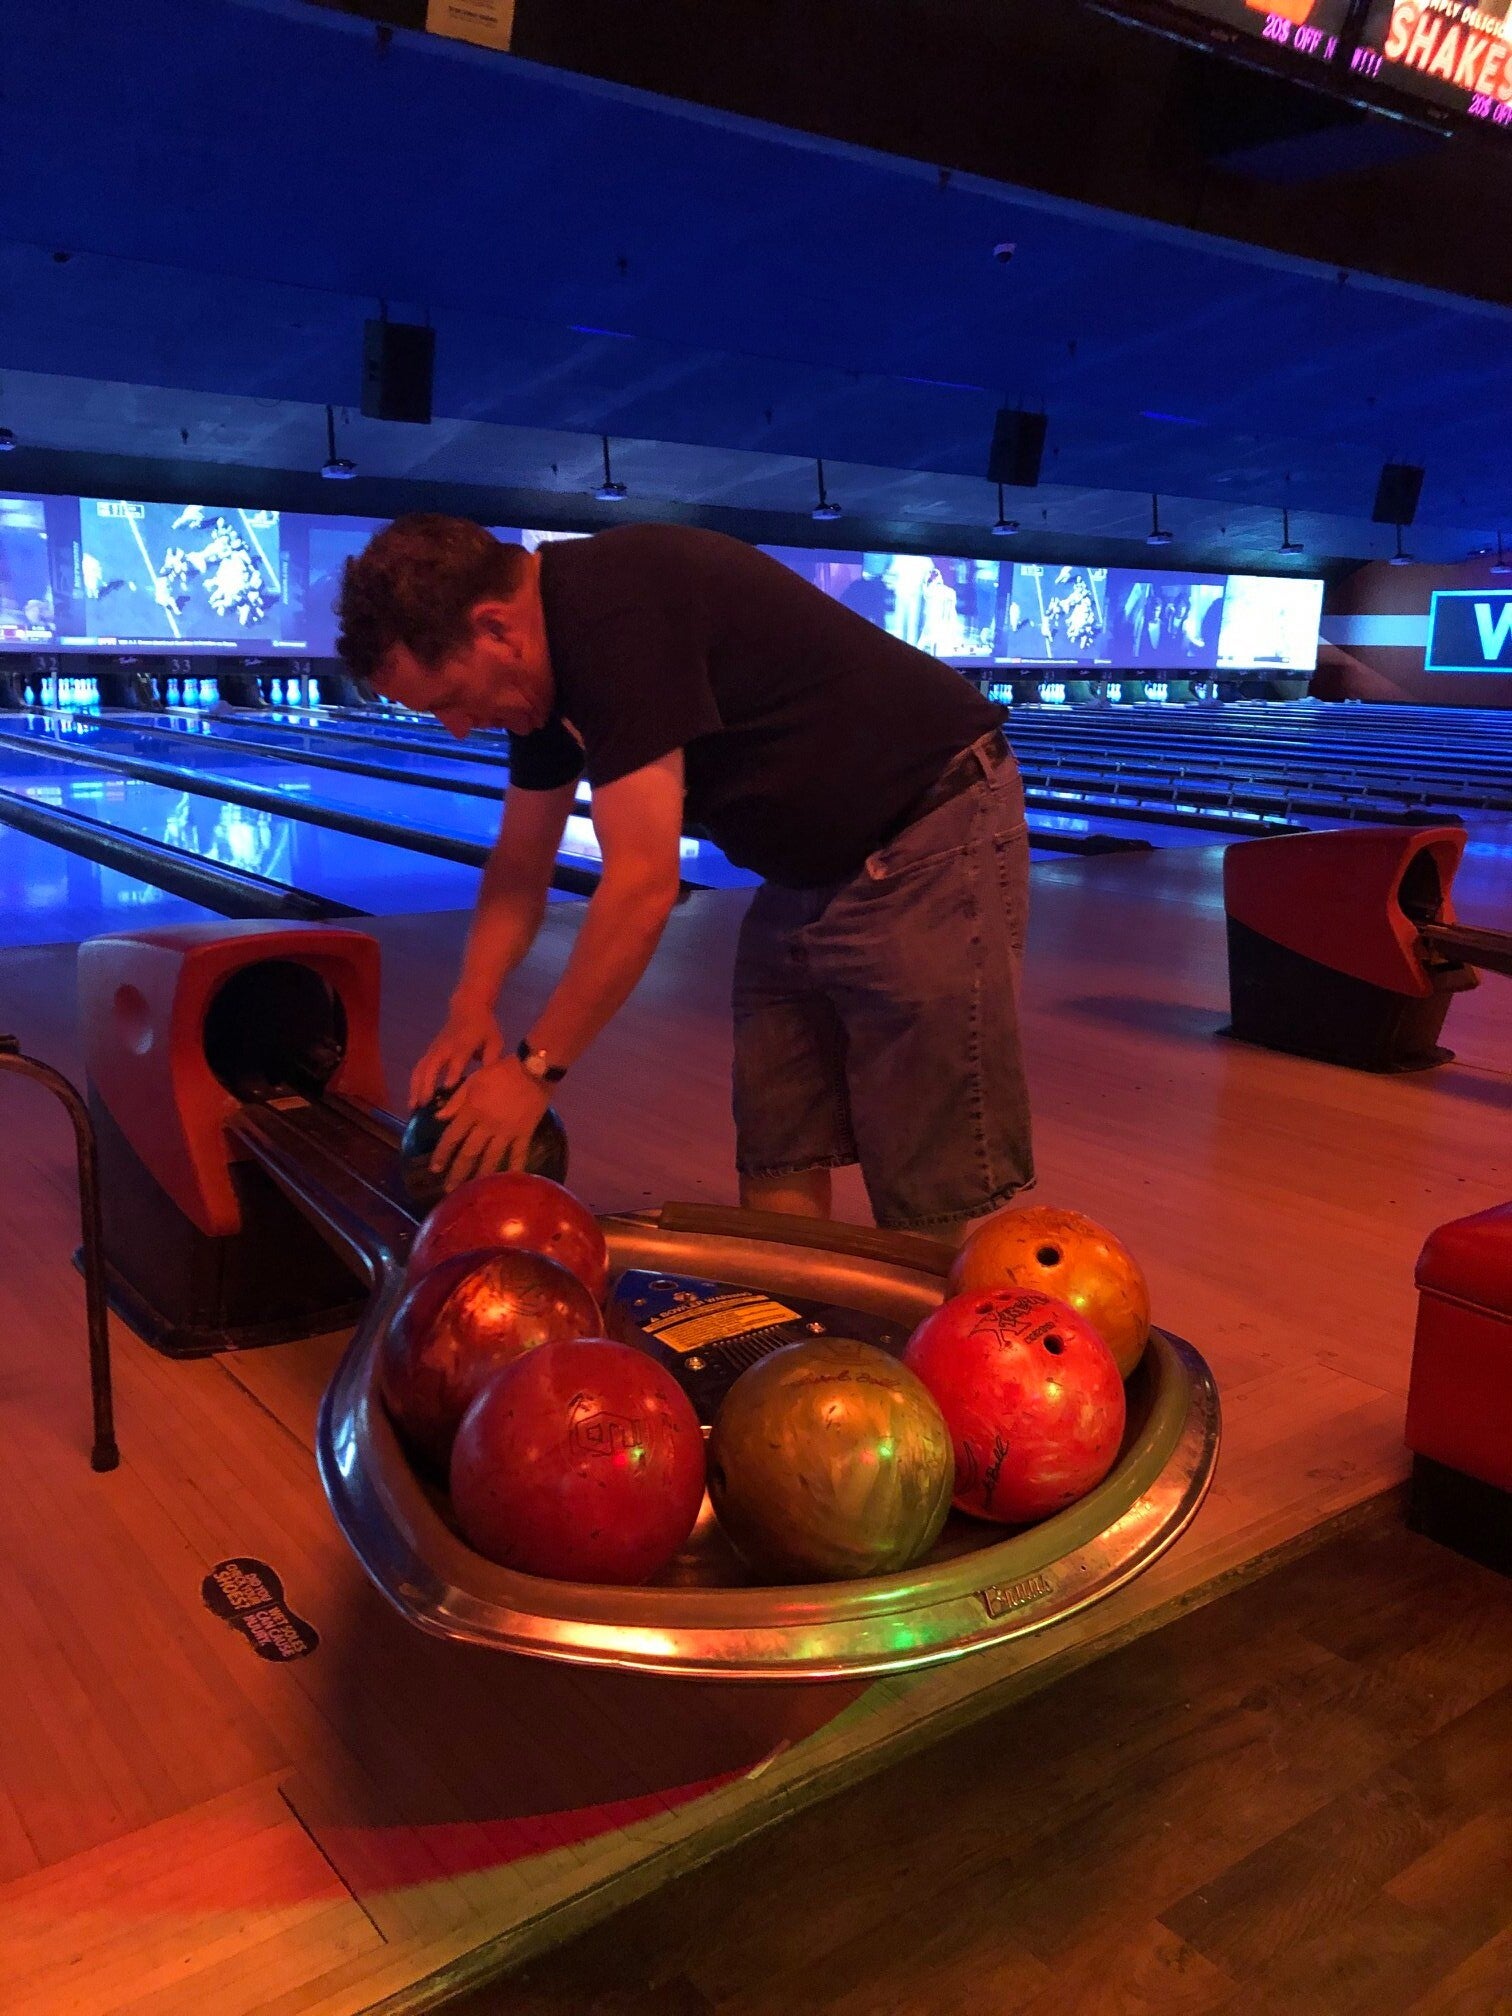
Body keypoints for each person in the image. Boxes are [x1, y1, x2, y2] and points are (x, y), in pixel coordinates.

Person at [335, 517, 1034, 1235]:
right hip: (806, 869)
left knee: (926, 1171)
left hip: (927, 825)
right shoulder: (537, 678)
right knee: (778, 1141)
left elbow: (643, 884)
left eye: (449, 699)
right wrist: (471, 1002)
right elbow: (519, 865)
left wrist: (533, 1071)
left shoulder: (612, 612)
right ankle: (786, 1299)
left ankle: (941, 1304)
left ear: (495, 628)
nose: (457, 727)